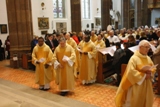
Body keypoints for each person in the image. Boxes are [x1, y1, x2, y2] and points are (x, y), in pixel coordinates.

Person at [115, 40, 156, 107]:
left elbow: (153, 68)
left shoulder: (148, 58)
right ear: (140, 47)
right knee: (134, 100)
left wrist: (150, 72)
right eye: (146, 47)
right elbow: (131, 72)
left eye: (148, 47)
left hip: (146, 84)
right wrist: (144, 75)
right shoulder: (134, 58)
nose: (147, 49)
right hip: (136, 84)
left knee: (145, 99)